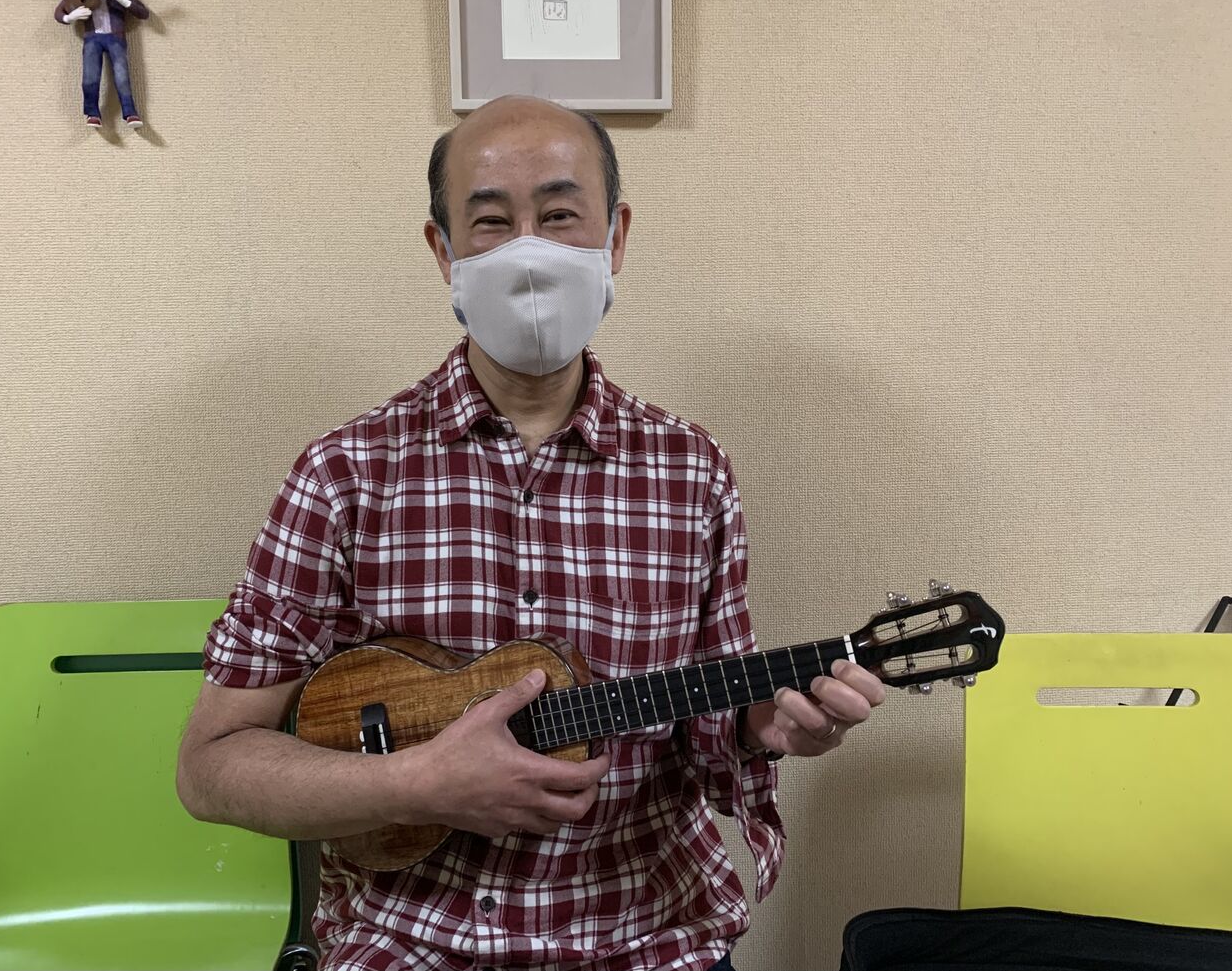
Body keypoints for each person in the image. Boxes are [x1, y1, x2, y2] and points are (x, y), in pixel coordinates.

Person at [176, 95, 886, 971]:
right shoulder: (345, 474)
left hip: (651, 937)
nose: (528, 251)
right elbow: (211, 766)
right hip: (411, 942)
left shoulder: (692, 469)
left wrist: (763, 724)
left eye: (558, 215)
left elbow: (708, 727)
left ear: (614, 237)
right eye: (490, 222)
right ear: (444, 251)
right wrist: (414, 783)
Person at [54, 0, 149, 129]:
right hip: (92, 38)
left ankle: (130, 112)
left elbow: (143, 13)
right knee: (89, 76)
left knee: (122, 75)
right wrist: (70, 17)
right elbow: (60, 11)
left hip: (115, 37)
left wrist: (122, 0)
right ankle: (92, 113)